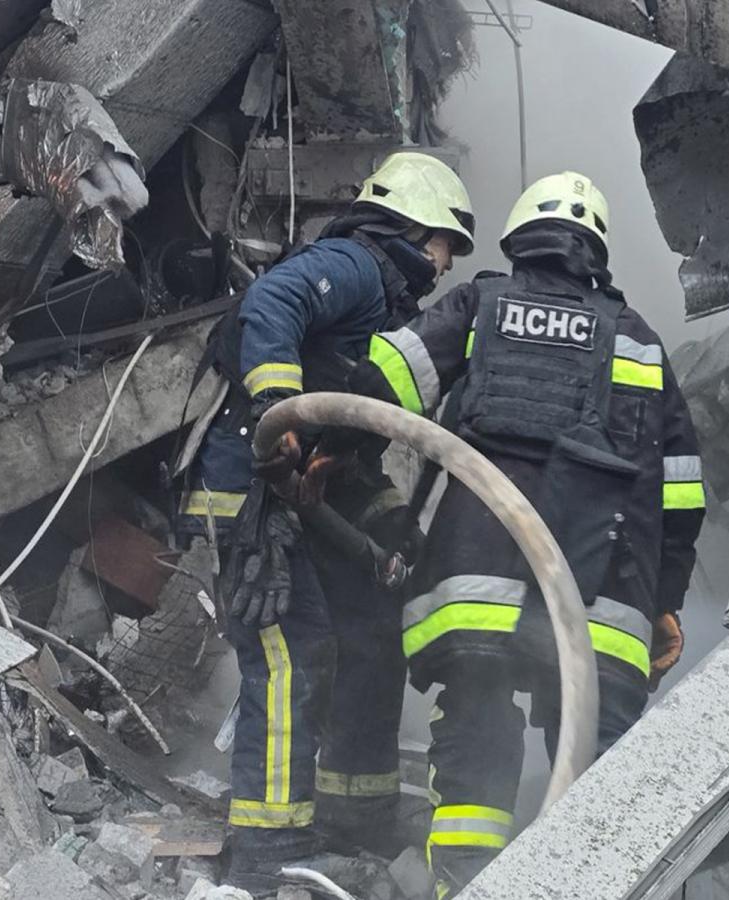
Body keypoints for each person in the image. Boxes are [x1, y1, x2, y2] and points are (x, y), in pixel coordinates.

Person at [342, 171, 704, 897]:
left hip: (477, 593)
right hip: (604, 611)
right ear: (596, 249)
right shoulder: (639, 341)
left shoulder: (481, 305)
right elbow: (683, 492)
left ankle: (465, 886)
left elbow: (379, 387)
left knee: (476, 740)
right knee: (601, 776)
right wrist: (664, 600)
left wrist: (319, 444)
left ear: (519, 238)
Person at [174, 152, 475, 895]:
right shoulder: (355, 265)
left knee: (369, 633)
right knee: (291, 654)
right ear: (414, 225)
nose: (445, 265)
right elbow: (272, 303)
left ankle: (354, 817)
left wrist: (392, 522)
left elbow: (345, 448)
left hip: (299, 502)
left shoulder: (384, 310)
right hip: (247, 497)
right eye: (446, 244)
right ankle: (269, 850)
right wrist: (279, 411)